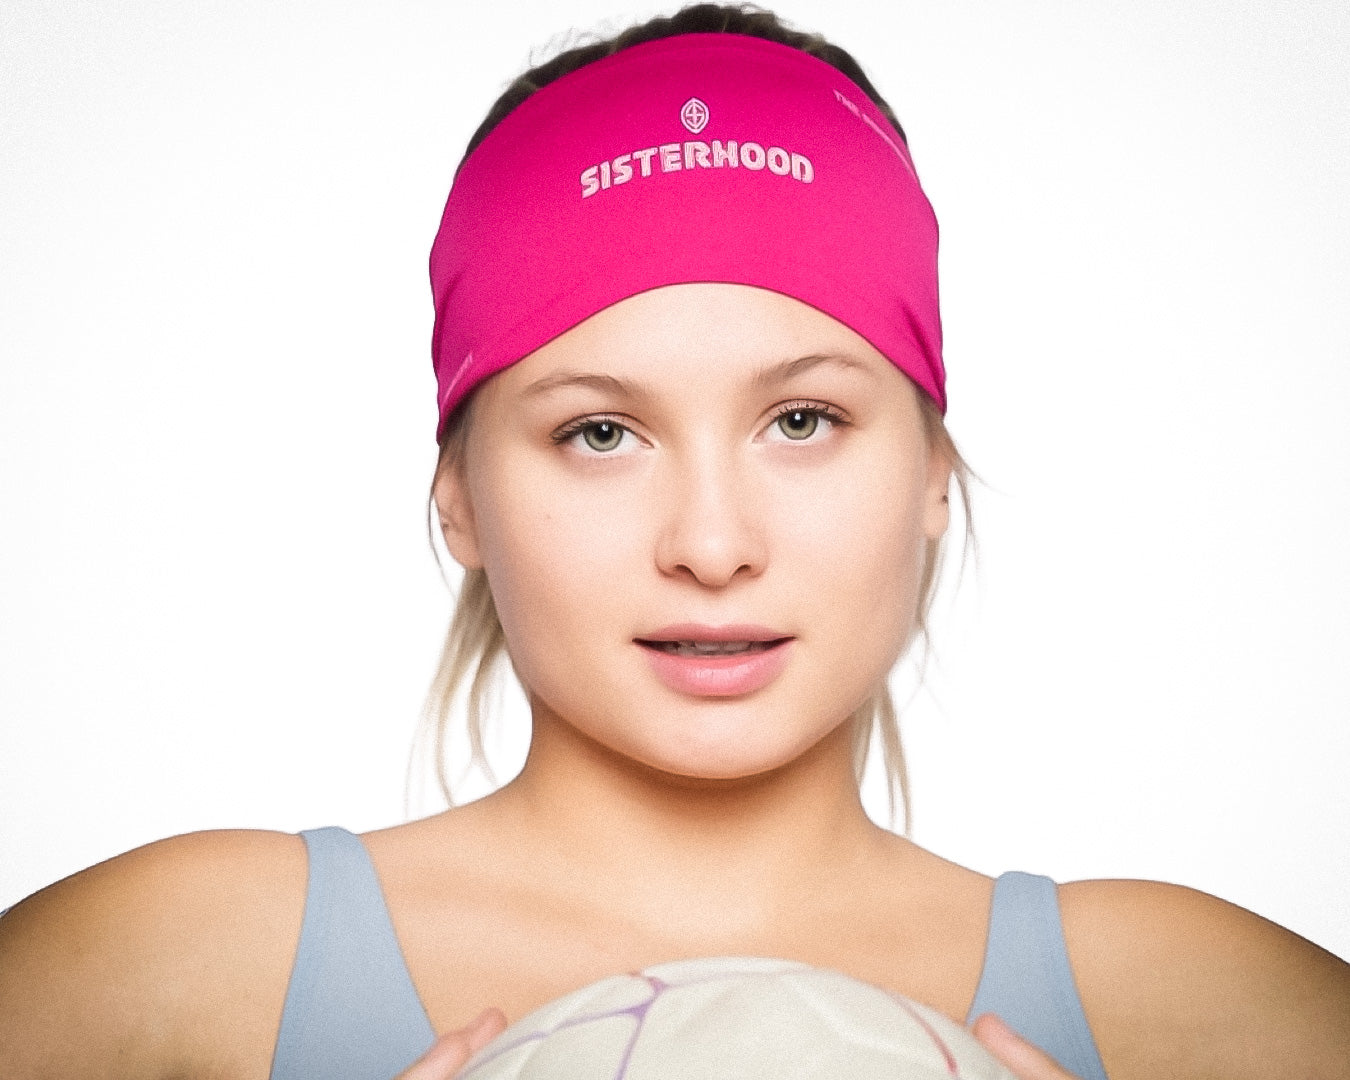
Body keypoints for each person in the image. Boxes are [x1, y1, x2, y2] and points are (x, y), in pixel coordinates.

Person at [1, 5, 1347, 1079]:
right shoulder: (170, 971)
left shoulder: (1196, 1013)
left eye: (804, 419)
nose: (711, 544)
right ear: (458, 496)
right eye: (598, 434)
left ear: (931, 471)